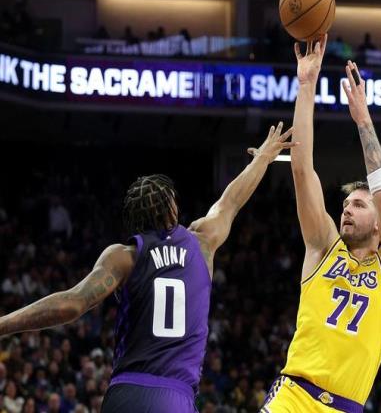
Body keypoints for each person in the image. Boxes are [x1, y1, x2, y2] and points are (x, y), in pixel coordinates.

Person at [0, 123, 298, 413]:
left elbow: (73, 304)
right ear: (173, 208)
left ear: (136, 220)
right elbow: (230, 201)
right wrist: (263, 158)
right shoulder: (203, 242)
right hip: (174, 396)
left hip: (126, 392)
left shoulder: (124, 256)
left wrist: (4, 324)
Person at [260, 35, 381, 411]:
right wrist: (306, 84)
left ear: (379, 224)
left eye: (358, 205)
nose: (347, 210)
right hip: (293, 395)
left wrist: (363, 119)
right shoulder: (323, 245)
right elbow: (301, 168)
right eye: (345, 204)